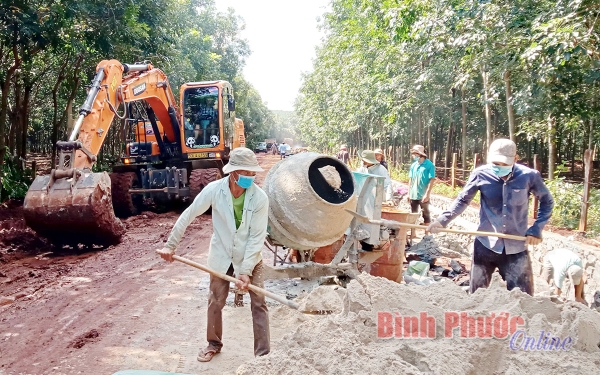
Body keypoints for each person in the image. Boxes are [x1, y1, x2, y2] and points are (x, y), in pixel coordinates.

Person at [156, 147, 270, 362]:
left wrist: (245, 271)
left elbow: (256, 238)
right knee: (215, 300)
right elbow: (189, 214)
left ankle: (263, 355)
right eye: (246, 173)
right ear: (233, 173)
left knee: (259, 303)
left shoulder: (260, 198)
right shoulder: (214, 190)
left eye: (252, 173)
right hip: (222, 254)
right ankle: (213, 343)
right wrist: (171, 245)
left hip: (250, 258)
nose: (250, 178)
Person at [427, 138, 554, 296]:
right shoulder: (481, 174)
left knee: (523, 298)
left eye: (504, 164)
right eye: (495, 163)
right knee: (477, 296)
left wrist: (536, 228)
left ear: (515, 159)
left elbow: (547, 202)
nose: (499, 168)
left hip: (516, 247)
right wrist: (443, 220)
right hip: (485, 244)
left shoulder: (529, 176)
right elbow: (463, 199)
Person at [407, 145, 435, 226]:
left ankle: (427, 234)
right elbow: (410, 180)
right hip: (413, 194)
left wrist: (427, 194)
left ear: (420, 154)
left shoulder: (430, 165)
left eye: (415, 154)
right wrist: (409, 193)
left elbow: (431, 180)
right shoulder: (414, 165)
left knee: (426, 214)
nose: (413, 156)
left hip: (423, 194)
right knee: (413, 214)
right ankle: (413, 233)